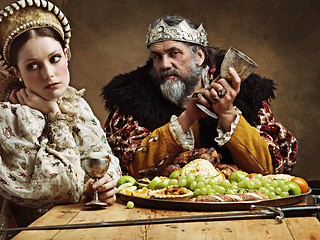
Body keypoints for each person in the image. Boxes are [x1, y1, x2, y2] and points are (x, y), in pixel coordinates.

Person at [102, 15, 298, 179]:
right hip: (160, 210)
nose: (165, 65)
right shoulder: (132, 99)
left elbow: (270, 168)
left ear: (199, 56)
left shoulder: (245, 93)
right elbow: (134, 171)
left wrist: (228, 114)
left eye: (174, 53)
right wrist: (187, 117)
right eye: (157, 56)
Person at [0, 0, 121, 237]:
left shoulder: (76, 104)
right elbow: (64, 186)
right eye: (33, 66)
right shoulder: (9, 117)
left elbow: (107, 161)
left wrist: (104, 183)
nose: (48, 74)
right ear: (17, 72)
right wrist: (53, 114)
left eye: (54, 59)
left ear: (66, 54)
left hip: (91, 227)